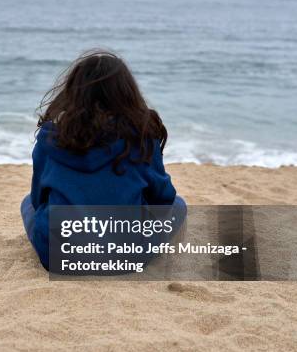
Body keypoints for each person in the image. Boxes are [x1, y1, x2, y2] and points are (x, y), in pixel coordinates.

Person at [21, 50, 186, 270]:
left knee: (27, 203)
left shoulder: (51, 136)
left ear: (73, 92)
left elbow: (38, 198)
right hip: (127, 257)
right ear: (127, 93)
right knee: (179, 205)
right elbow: (163, 198)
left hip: (60, 257)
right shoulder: (141, 135)